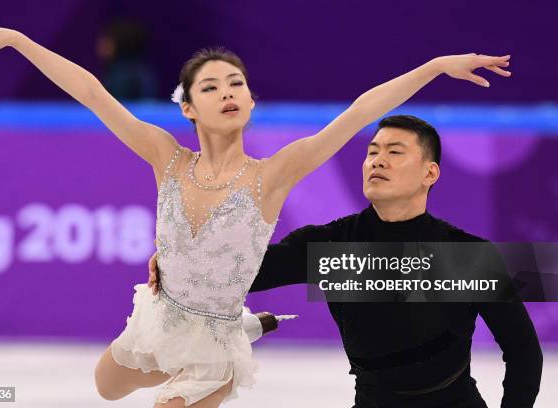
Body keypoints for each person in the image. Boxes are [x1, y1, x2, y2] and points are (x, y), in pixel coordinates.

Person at [0, 18, 512, 408]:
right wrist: (20, 40)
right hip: (160, 315)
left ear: (249, 100)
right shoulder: (165, 157)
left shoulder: (273, 174)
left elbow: (360, 110)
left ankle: (238, 336)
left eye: (237, 83)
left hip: (213, 343)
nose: (229, 92)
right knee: (106, 387)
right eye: (211, 86)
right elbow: (95, 94)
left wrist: (436, 66)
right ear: (189, 106)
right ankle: (253, 325)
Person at [151, 115, 542, 407]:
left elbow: (523, 351)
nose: (377, 161)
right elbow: (241, 276)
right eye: (372, 152)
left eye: (394, 152)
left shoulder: (467, 255)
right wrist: (180, 260)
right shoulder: (333, 245)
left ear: (430, 173)